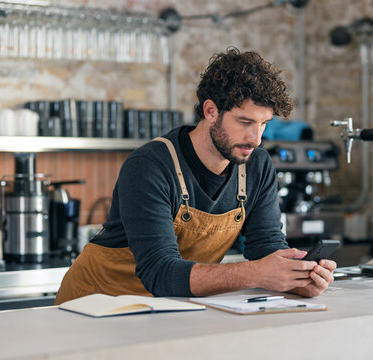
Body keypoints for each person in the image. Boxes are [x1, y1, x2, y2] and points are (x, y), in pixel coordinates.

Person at [55, 48, 336, 304]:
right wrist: (256, 274)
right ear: (211, 111)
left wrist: (298, 278)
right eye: (245, 122)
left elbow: (267, 248)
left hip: (167, 308)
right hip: (95, 306)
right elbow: (160, 273)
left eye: (264, 124)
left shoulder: (256, 164)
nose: (257, 139)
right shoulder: (150, 165)